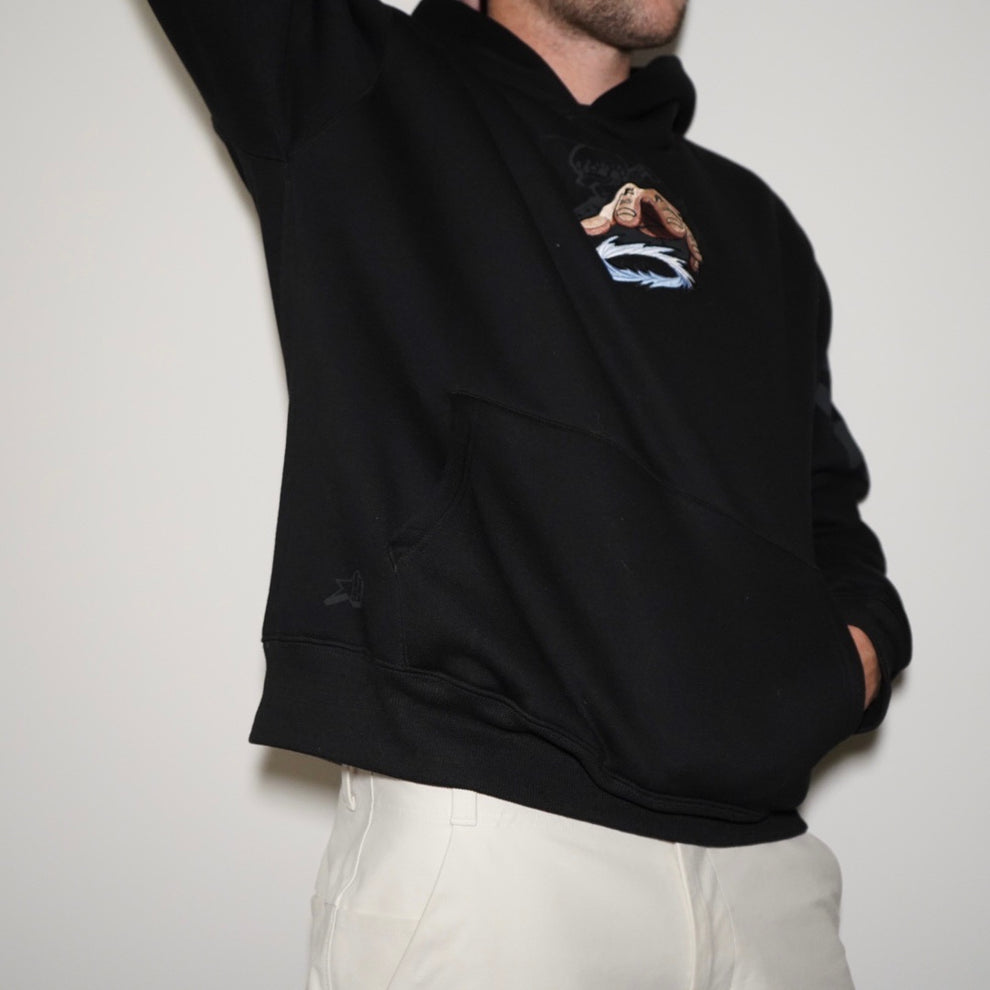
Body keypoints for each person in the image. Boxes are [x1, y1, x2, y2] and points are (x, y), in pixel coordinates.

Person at [144, 0, 913, 986]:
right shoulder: (356, 88)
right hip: (495, 851)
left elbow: (826, 507)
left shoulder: (755, 224)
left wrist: (855, 655)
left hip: (768, 879)